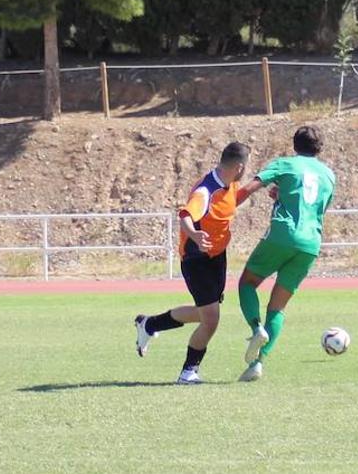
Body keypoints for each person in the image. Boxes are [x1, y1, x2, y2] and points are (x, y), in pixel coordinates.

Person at [134, 143, 255, 385]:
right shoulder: (206, 190)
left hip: (216, 258)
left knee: (203, 314)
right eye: (247, 167)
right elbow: (186, 215)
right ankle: (188, 372)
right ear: (240, 167)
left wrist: (264, 183)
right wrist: (195, 235)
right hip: (197, 260)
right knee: (211, 320)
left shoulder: (229, 183)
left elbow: (233, 199)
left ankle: (149, 324)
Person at [233, 126, 336, 383]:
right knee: (277, 307)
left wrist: (221, 208)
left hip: (282, 235)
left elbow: (249, 188)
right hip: (310, 243)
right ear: (319, 148)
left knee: (247, 283)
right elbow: (316, 206)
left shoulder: (285, 164)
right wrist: (284, 195)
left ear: (294, 145)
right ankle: (258, 363)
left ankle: (256, 328)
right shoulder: (328, 175)